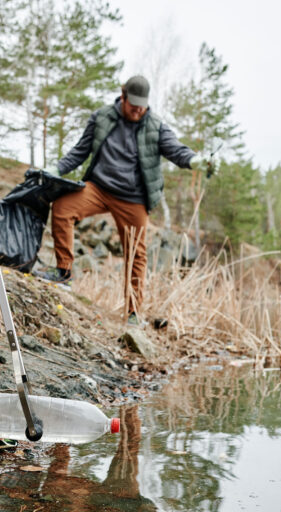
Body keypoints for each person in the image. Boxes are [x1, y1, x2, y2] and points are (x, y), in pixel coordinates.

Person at [36, 75, 215, 325]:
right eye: (133, 104)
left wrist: (195, 161)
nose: (138, 109)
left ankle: (133, 313)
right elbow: (80, 151)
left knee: (136, 254)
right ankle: (63, 272)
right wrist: (57, 168)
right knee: (64, 207)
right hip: (98, 188)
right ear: (123, 96)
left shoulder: (155, 126)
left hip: (133, 198)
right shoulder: (101, 118)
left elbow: (176, 150)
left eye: (142, 105)